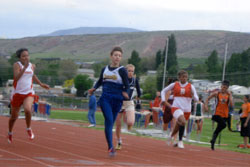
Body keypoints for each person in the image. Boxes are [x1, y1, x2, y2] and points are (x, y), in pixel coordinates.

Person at [88, 46, 129, 157]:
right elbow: (100, 81)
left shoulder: (122, 71)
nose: (117, 57)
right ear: (111, 56)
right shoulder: (104, 69)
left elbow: (127, 86)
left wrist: (126, 93)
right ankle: (111, 147)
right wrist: (94, 88)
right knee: (110, 120)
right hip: (105, 98)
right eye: (115, 55)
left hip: (117, 100)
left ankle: (110, 146)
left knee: (110, 123)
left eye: (119, 56)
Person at [8, 48, 50, 143]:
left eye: (27, 55)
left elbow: (33, 75)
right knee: (14, 117)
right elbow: (17, 78)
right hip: (17, 93)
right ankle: (10, 132)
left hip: (28, 92)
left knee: (27, 109)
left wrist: (41, 84)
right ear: (19, 58)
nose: (26, 57)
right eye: (23, 56)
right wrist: (24, 67)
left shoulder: (32, 66)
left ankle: (28, 128)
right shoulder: (16, 65)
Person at [161, 70, 198, 148]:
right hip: (176, 107)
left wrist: (193, 96)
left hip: (187, 109)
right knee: (183, 121)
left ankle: (170, 137)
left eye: (186, 77)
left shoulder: (191, 86)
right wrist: (163, 100)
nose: (184, 78)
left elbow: (196, 98)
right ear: (179, 77)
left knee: (179, 124)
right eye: (183, 77)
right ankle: (180, 141)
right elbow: (163, 91)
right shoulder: (175, 84)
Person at [115, 64, 141, 150]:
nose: (130, 73)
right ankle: (119, 141)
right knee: (118, 124)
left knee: (130, 122)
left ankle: (128, 122)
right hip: (119, 102)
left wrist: (138, 97)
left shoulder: (134, 80)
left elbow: (138, 89)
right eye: (129, 71)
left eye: (132, 71)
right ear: (125, 71)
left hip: (129, 102)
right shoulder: (120, 80)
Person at [205, 80, 233, 150]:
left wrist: (230, 95)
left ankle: (213, 141)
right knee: (224, 125)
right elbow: (207, 99)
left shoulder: (228, 95)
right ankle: (213, 140)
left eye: (226, 88)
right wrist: (206, 106)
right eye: (223, 87)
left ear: (227, 88)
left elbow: (232, 105)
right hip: (217, 114)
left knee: (218, 128)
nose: (224, 89)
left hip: (224, 114)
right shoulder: (217, 94)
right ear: (221, 86)